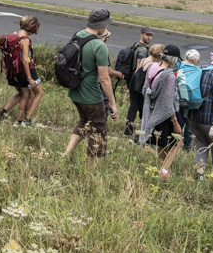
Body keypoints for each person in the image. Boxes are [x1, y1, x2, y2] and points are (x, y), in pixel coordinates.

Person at [62, 9, 117, 162]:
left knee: (84, 121)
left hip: (75, 90)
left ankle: (67, 153)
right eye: (106, 25)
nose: (107, 28)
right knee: (99, 128)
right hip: (91, 95)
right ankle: (90, 166)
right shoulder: (99, 46)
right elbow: (104, 79)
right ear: (102, 25)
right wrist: (113, 103)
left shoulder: (77, 36)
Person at [137, 43, 181, 177]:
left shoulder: (153, 67)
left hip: (152, 108)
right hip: (164, 113)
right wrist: (175, 121)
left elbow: (146, 89)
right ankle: (164, 170)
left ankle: (160, 167)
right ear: (174, 60)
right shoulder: (169, 76)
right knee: (178, 141)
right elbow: (168, 102)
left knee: (162, 143)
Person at [189, 49, 213, 180]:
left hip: (193, 115)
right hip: (210, 118)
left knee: (201, 144)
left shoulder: (199, 69)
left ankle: (199, 174)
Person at [0, 15, 41, 126]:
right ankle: (26, 120)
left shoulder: (14, 35)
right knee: (39, 93)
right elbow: (25, 60)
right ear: (32, 28)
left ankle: (4, 112)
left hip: (13, 71)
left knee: (23, 94)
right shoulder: (25, 40)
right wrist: (29, 77)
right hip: (25, 70)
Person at [122, 28, 154, 137]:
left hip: (132, 80)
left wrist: (129, 82)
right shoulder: (143, 50)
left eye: (150, 35)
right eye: (147, 35)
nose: (149, 37)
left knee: (134, 105)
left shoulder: (136, 45)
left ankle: (130, 129)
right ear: (141, 35)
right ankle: (134, 130)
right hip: (138, 82)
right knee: (138, 106)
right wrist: (136, 82)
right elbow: (139, 67)